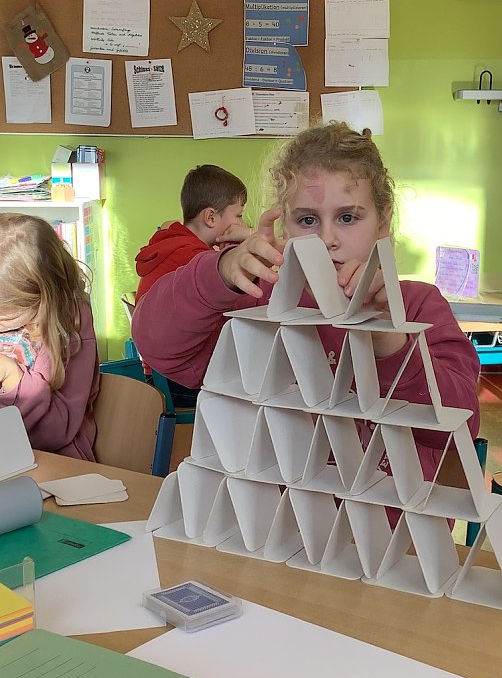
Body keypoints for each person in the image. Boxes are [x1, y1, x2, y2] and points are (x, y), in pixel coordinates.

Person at [133, 123, 480, 484]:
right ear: (284, 227)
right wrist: (218, 273)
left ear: (383, 221)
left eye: (348, 217)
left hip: (383, 522)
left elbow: (461, 423)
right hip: (267, 520)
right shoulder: (257, 304)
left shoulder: (417, 307)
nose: (327, 239)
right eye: (307, 220)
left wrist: (388, 339)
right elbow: (157, 343)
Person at [0, 214, 99, 460]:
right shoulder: (17, 310)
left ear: (41, 298)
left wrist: (13, 378)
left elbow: (57, 433)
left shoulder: (68, 328)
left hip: (52, 464)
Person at [135, 164, 251, 301]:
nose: (241, 224)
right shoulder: (193, 256)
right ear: (211, 218)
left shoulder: (175, 242)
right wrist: (250, 238)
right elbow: (243, 301)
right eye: (239, 216)